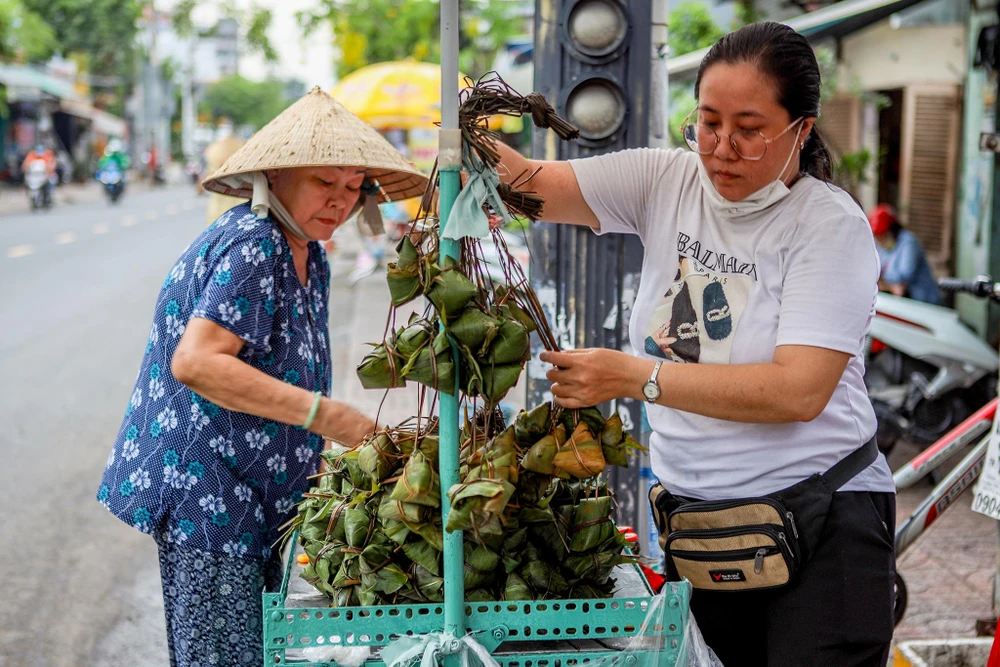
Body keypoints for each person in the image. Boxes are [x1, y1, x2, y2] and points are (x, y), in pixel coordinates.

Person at [491, 22, 895, 666]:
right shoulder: (665, 181)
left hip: (822, 533)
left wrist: (637, 377)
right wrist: (462, 134)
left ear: (803, 129)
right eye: (708, 123)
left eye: (750, 128)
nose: (722, 148)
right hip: (702, 536)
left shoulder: (828, 226)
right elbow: (530, 184)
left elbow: (799, 391)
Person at [96, 87, 427, 667]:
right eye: (325, 183)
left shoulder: (310, 252)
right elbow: (196, 362)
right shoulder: (254, 244)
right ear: (276, 176)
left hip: (254, 497)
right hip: (208, 495)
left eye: (354, 188)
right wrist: (328, 418)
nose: (340, 202)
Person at [869, 203, 941, 304]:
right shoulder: (880, 245)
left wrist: (885, 281)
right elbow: (876, 271)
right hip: (903, 303)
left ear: (892, 230)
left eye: (882, 235)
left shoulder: (908, 242)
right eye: (877, 236)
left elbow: (904, 275)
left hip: (924, 302)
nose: (879, 240)